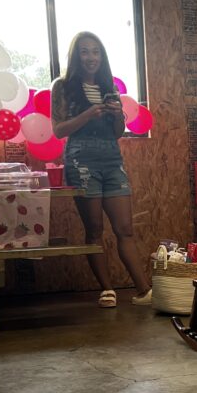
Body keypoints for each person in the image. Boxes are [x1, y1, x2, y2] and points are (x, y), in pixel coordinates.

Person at [51, 31, 151, 308]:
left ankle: (144, 290)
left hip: (111, 160)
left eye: (96, 51)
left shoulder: (109, 86)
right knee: (94, 229)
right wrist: (86, 115)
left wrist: (118, 114)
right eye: (84, 51)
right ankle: (107, 290)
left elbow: (118, 132)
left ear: (102, 56)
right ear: (76, 56)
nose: (91, 57)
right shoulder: (62, 86)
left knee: (125, 228)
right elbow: (58, 130)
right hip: (80, 161)